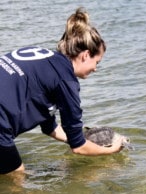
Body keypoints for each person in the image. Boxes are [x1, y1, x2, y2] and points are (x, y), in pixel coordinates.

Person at [0, 7, 124, 175]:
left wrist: (77, 138)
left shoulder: (45, 59)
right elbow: (78, 148)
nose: (95, 69)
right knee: (17, 177)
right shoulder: (65, 80)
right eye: (97, 62)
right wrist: (112, 150)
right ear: (85, 55)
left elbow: (48, 125)